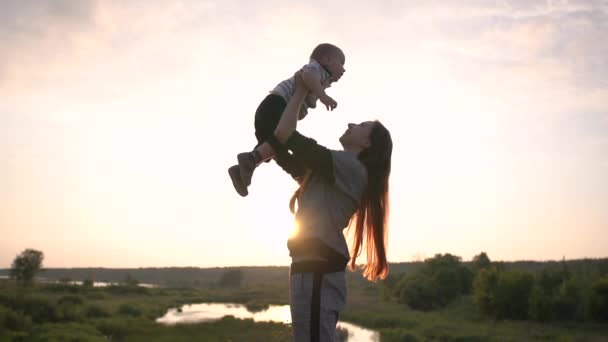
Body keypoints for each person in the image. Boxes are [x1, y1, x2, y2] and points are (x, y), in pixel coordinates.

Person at [272, 71, 393, 341]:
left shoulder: (350, 167)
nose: (351, 123)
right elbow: (282, 145)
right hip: (310, 267)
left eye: (361, 125)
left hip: (318, 268)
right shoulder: (334, 169)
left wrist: (302, 90)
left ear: (366, 143)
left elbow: (285, 134)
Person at [228, 43, 346, 197]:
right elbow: (307, 76)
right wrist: (322, 96)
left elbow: (307, 96)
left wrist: (314, 97)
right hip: (276, 105)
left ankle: (242, 169)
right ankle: (300, 175)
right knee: (281, 142)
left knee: (275, 148)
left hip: (270, 109)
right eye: (341, 63)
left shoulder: (321, 79)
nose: (344, 69)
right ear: (326, 60)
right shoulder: (317, 69)